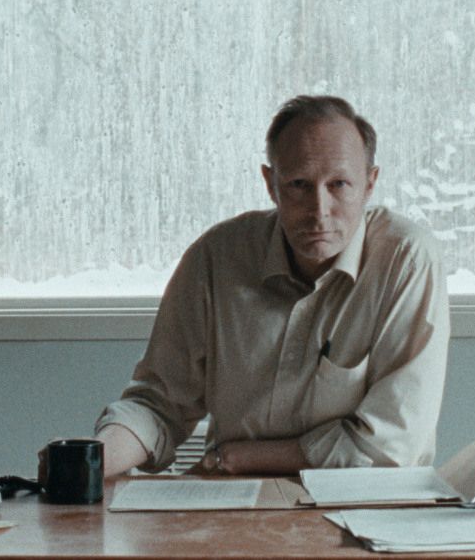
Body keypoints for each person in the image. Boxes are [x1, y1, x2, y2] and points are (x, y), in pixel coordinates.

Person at [94, 95, 450, 477]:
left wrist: (239, 457)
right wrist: (90, 462)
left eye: (339, 184)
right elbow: (158, 405)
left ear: (370, 184)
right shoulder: (217, 257)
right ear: (270, 184)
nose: (319, 210)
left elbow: (393, 444)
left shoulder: (407, 259)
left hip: (358, 499)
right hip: (233, 498)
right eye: (298, 184)